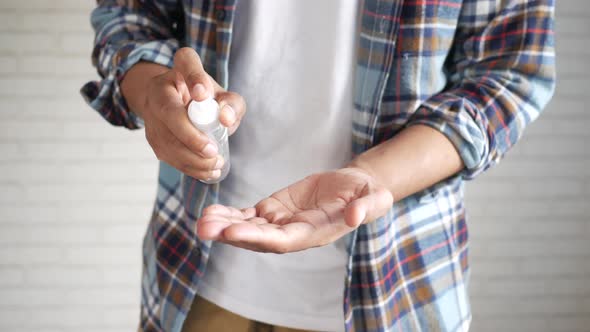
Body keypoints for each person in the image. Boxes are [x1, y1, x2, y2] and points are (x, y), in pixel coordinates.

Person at [82, 0, 555, 331]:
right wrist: (154, 95)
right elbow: (130, 16)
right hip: (189, 281)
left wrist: (375, 177)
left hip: (399, 290)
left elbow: (509, 74)